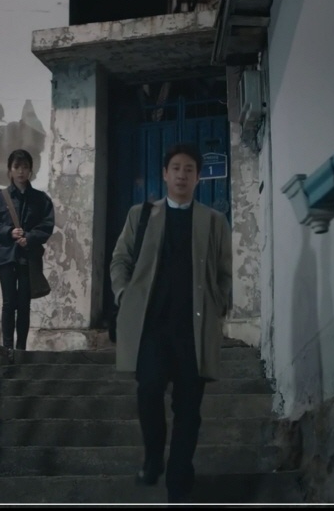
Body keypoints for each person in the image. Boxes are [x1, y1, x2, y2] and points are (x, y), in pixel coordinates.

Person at [110, 143, 233, 503]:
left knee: (188, 409)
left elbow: (225, 272)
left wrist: (219, 304)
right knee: (148, 390)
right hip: (152, 327)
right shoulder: (141, 215)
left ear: (198, 177)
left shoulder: (214, 221)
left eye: (189, 169)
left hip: (193, 329)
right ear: (165, 174)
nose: (182, 175)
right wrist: (123, 295)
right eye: (176, 168)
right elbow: (120, 259)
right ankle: (153, 456)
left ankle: (179, 478)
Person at [0, 149, 55, 351]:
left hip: (27, 257)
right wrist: (8, 232)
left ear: (31, 170)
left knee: (24, 304)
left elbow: (47, 225)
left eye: (25, 167)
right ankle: (8, 348)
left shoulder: (40, 199)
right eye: (17, 167)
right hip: (6, 256)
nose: (21, 171)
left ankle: (21, 348)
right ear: (10, 170)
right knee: (9, 303)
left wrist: (29, 238)